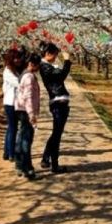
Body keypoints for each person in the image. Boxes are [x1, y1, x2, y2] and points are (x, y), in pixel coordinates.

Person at [39, 42, 72, 173]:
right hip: (58, 103)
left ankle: (46, 158)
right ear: (48, 54)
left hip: (60, 102)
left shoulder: (47, 66)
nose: (56, 57)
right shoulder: (45, 67)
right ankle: (54, 165)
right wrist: (67, 60)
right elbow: (61, 75)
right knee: (57, 135)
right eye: (55, 55)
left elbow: (59, 75)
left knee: (56, 133)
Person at [14, 53, 42, 180]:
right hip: (26, 111)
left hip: (21, 109)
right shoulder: (29, 77)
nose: (39, 68)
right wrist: (32, 115)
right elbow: (28, 97)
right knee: (26, 140)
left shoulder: (24, 74)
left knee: (21, 137)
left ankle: (19, 164)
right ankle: (28, 168)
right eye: (38, 65)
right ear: (33, 64)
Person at [2, 49, 24, 161]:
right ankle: (11, 154)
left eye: (19, 58)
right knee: (13, 128)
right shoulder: (8, 72)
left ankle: (6, 152)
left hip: (14, 102)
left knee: (11, 127)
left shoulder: (14, 70)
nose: (18, 60)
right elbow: (19, 83)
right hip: (10, 103)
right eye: (16, 58)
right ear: (11, 59)